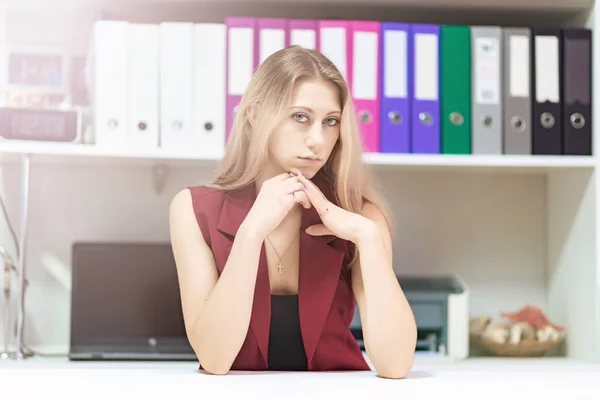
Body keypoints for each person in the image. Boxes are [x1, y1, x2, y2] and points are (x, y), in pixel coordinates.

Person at [169, 45, 417, 379]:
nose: (318, 140)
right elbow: (214, 359)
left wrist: (368, 237)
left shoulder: (360, 216)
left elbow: (396, 365)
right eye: (300, 117)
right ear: (255, 114)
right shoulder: (193, 209)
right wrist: (251, 232)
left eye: (330, 122)